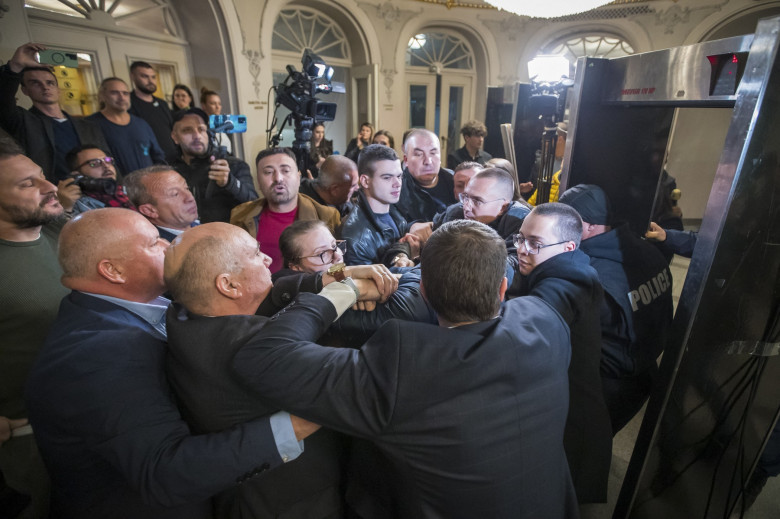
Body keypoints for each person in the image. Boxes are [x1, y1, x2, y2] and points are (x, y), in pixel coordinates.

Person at [229, 219, 578, 518]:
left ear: (423, 288)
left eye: (337, 247)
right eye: (323, 254)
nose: (336, 257)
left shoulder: (399, 366)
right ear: (502, 289)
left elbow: (263, 356)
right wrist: (342, 274)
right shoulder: (544, 319)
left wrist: (342, 285)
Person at [25, 208, 320, 518]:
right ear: (113, 270)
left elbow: (228, 292)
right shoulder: (98, 355)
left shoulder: (140, 303)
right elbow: (165, 471)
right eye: (154, 243)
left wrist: (320, 283)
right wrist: (303, 419)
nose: (168, 246)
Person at [163, 222, 368, 519]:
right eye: (257, 253)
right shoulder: (251, 348)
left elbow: (287, 283)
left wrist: (340, 274)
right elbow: (350, 384)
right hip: (294, 503)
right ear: (229, 285)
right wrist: (347, 290)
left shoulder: (184, 316)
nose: (268, 260)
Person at [511, 203, 612, 504]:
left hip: (575, 428)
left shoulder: (568, 284)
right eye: (520, 238)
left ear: (568, 246)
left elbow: (525, 326)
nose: (522, 250)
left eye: (535, 243)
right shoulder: (564, 266)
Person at [560, 184, 673, 434]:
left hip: (606, 388)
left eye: (565, 219)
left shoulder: (588, 271)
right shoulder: (649, 252)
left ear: (589, 225)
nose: (556, 226)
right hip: (645, 374)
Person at [0, 138, 67, 518]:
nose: (49, 186)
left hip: (91, 417)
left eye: (42, 176)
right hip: (27, 443)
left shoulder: (63, 231)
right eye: (27, 184)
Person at [0, 42, 109, 182]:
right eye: (35, 83)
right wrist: (14, 66)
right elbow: (3, 102)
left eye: (50, 83)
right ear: (25, 90)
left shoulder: (88, 126)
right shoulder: (23, 122)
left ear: (58, 89)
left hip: (96, 192)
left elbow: (108, 160)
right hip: (54, 195)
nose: (45, 87)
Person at [230, 147, 340, 273]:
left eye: (285, 171)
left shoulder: (327, 217)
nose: (278, 178)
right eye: (268, 172)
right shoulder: (240, 216)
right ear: (258, 182)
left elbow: (338, 266)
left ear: (299, 177)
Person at [432, 167, 531, 286]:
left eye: (477, 201)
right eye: (466, 197)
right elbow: (434, 254)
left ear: (502, 207)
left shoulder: (520, 222)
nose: (466, 207)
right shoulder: (456, 212)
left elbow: (513, 270)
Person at [168, 108, 257, 223]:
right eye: (187, 130)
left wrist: (230, 182)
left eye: (201, 129)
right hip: (186, 236)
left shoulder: (233, 165)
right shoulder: (168, 170)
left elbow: (254, 204)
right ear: (175, 137)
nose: (197, 135)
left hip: (227, 235)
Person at [338, 144, 410, 266]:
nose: (397, 183)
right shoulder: (355, 238)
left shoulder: (396, 210)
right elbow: (365, 283)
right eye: (387, 177)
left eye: (399, 176)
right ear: (365, 181)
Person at [87, 77, 166, 173]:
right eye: (114, 93)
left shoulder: (141, 123)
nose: (121, 97)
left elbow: (158, 155)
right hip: (115, 185)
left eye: (125, 93)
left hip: (147, 182)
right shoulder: (91, 124)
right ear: (103, 96)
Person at [395, 129, 457, 223]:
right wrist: (410, 227)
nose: (428, 161)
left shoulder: (456, 181)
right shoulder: (396, 188)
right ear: (406, 159)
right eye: (419, 154)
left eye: (433, 153)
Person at [123, 166, 199, 241]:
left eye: (187, 188)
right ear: (149, 210)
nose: (190, 198)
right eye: (175, 194)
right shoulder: (164, 250)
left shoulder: (198, 225)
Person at [57, 144, 135, 215]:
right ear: (77, 174)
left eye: (108, 160)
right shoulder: (77, 204)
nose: (106, 166)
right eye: (94, 163)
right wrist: (65, 208)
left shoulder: (129, 190)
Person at [128, 61, 177, 159]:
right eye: (144, 76)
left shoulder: (162, 103)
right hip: (149, 159)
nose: (150, 81)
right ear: (133, 77)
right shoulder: (129, 104)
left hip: (173, 158)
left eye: (153, 77)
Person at [200, 87, 231, 155]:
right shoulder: (201, 127)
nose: (217, 107)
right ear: (203, 106)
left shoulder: (224, 124)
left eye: (219, 104)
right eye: (213, 103)